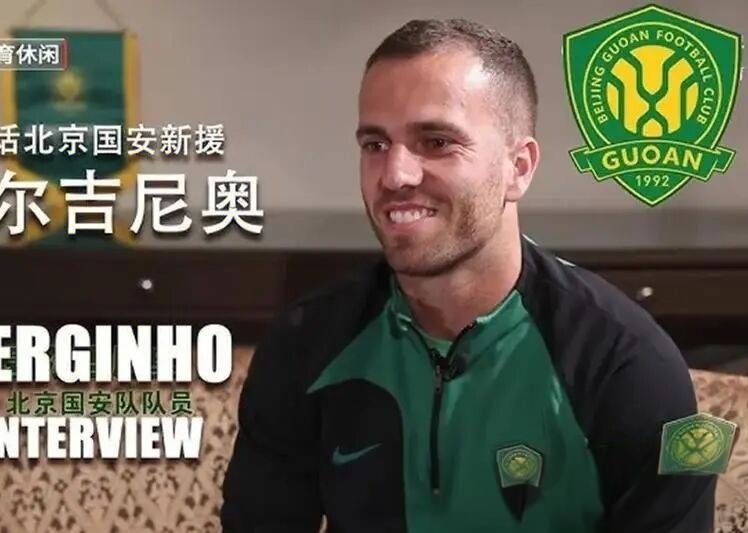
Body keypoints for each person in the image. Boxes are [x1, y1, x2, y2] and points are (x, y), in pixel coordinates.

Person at [221, 18, 714, 532]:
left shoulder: (625, 364)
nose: (395, 175)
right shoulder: (306, 343)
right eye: (375, 145)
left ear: (518, 167)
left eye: (436, 142)